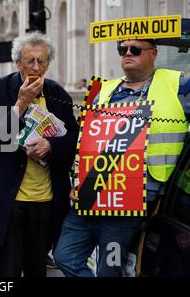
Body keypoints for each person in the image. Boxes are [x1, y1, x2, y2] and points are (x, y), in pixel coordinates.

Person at [53, 39, 190, 277]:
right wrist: (76, 183)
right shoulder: (104, 89)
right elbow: (85, 143)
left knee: (110, 269)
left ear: (154, 53)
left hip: (127, 206)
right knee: (64, 256)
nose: (127, 53)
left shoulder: (178, 85)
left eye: (135, 49)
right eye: (122, 49)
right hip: (89, 196)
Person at [0, 31, 79, 277]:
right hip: (8, 201)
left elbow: (74, 138)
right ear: (17, 62)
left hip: (45, 201)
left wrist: (51, 147)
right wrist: (21, 104)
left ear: (48, 63)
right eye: (29, 60)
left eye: (41, 61)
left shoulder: (57, 94)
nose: (35, 66)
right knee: (8, 271)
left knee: (37, 268)